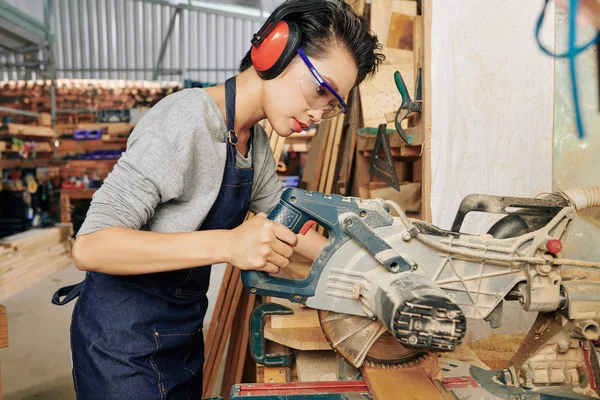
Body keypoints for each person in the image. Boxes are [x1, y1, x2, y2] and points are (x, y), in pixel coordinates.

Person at [51, 0, 384, 398]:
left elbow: (288, 230)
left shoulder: (255, 144)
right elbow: (91, 246)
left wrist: (371, 272)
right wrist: (228, 244)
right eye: (320, 90)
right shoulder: (186, 119)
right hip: (121, 339)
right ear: (274, 51)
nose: (317, 113)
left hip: (179, 332)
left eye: (332, 107)